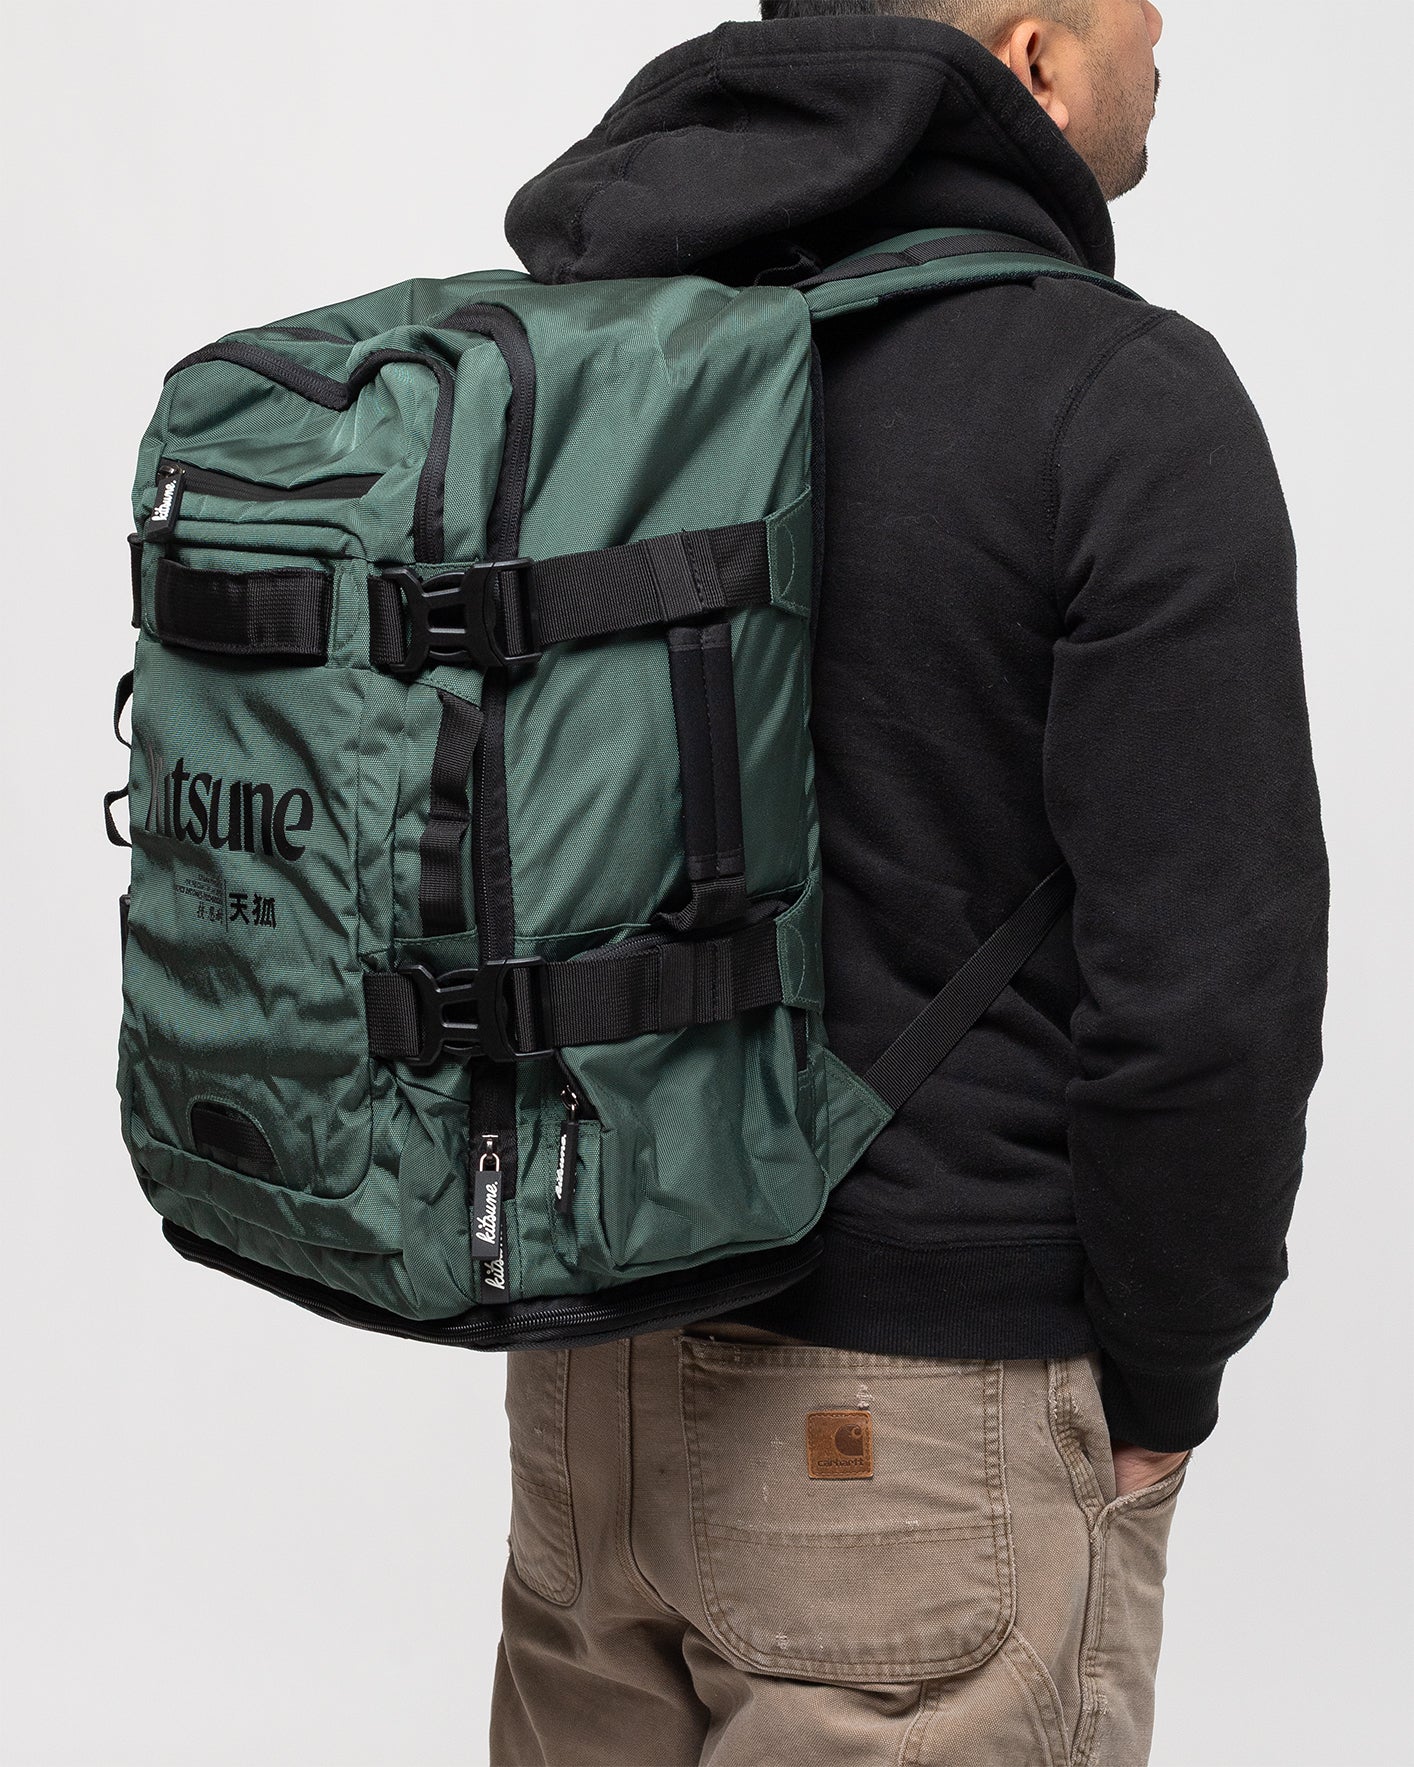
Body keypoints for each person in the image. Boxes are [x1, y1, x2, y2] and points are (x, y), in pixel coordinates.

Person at [491, 2, 1328, 1761]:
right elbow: (1206, 996)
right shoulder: (1116, 394)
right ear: (1031, 61)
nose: (1161, 24)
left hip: (588, 1361)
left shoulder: (586, 368)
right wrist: (1166, 1374)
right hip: (918, 1427)